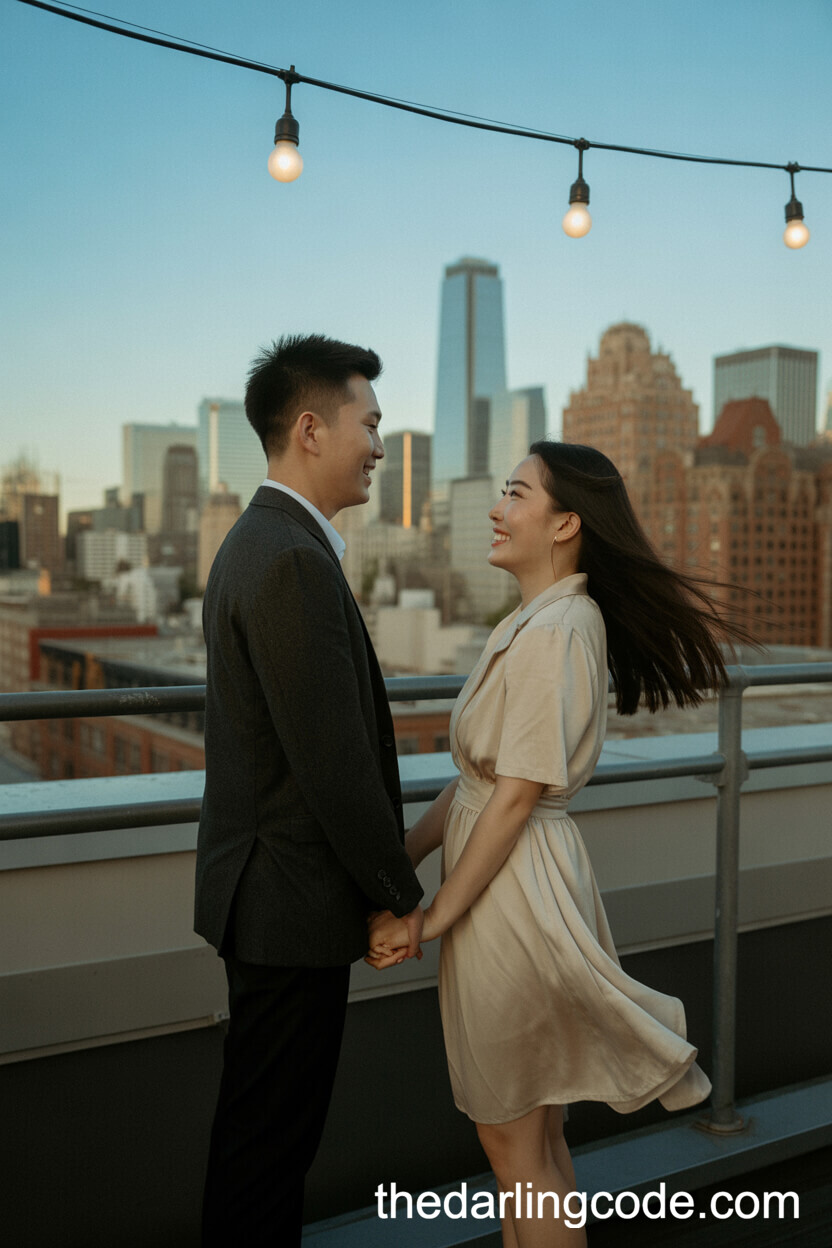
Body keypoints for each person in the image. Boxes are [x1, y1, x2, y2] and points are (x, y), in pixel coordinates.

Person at [367, 441, 744, 1248]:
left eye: (514, 493)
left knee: (515, 1153)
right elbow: (478, 784)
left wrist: (430, 917)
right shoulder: (544, 620)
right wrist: (403, 859)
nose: (496, 511)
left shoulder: (557, 629)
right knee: (536, 1146)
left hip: (510, 899)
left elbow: (512, 799)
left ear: (566, 521)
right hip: (509, 884)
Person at [195, 334, 424, 1247]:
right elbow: (334, 767)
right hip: (289, 906)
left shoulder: (264, 541)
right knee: (267, 1153)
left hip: (269, 899)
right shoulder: (288, 559)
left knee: (259, 1142)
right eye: (369, 423)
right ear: (310, 429)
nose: (378, 443)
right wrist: (397, 898)